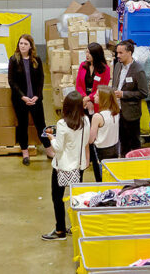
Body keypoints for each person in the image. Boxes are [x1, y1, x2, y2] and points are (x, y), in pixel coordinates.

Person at [42, 92, 90, 241]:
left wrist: (51, 138)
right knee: (76, 197)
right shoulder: (86, 121)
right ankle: (76, 226)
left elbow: (58, 148)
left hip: (62, 167)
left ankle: (60, 230)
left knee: (57, 197)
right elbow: (86, 141)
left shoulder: (62, 124)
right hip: (78, 165)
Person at [8, 34, 54, 166]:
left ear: (30, 46)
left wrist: (37, 96)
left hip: (35, 99)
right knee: (22, 126)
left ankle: (49, 151)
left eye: (25, 44)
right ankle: (25, 153)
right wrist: (23, 96)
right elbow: (12, 81)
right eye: (20, 43)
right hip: (20, 100)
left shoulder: (37, 60)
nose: (22, 46)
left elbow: (41, 80)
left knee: (41, 125)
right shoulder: (13, 60)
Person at [111, 40, 148, 156]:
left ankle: (137, 165)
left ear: (129, 53)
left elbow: (143, 93)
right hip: (118, 111)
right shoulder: (117, 66)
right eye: (117, 53)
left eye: (121, 53)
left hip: (131, 113)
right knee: (122, 141)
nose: (118, 56)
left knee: (134, 143)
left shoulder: (138, 70)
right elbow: (115, 84)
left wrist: (123, 94)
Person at [88, 86, 120, 183]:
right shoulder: (116, 112)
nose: (94, 97)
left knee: (101, 179)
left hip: (101, 151)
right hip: (114, 148)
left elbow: (90, 139)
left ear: (103, 98)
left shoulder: (97, 117)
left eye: (97, 95)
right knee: (111, 176)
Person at [75, 42, 111, 115]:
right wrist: (85, 98)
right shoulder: (82, 66)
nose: (87, 55)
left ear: (96, 55)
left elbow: (102, 88)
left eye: (90, 53)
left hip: (97, 102)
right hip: (83, 102)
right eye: (87, 52)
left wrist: (89, 98)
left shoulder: (105, 69)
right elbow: (78, 85)